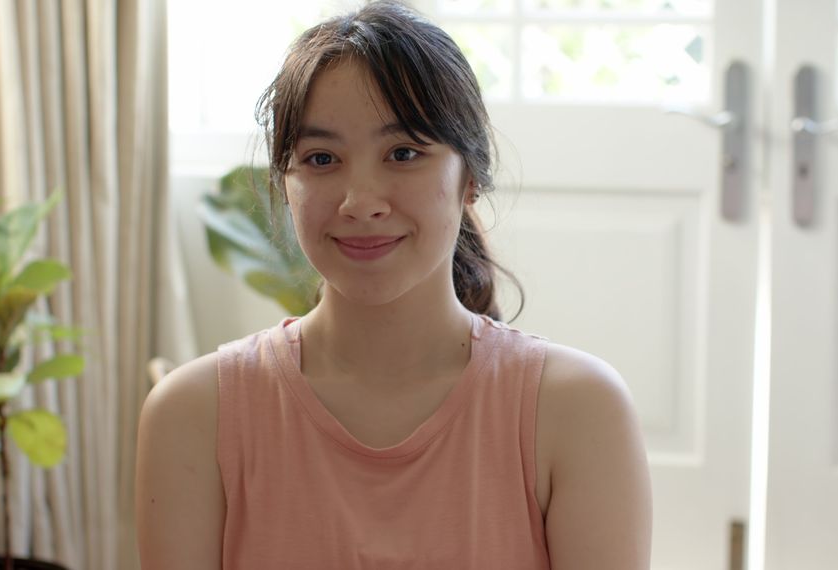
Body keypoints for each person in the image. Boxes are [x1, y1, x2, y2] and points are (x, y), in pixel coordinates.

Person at [135, 1, 652, 568]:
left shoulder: (576, 411)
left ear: (470, 178)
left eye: (403, 153)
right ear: (286, 184)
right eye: (322, 157)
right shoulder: (192, 416)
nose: (360, 202)